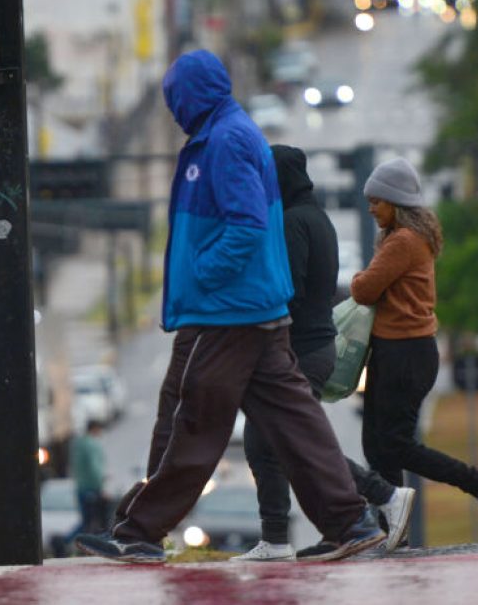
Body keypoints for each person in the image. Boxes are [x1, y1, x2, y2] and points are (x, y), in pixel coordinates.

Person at [76, 50, 385, 564]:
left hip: (232, 311)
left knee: (196, 417)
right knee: (293, 421)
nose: (173, 109)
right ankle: (350, 521)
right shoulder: (219, 135)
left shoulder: (227, 140)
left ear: (192, 93)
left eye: (175, 97)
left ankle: (140, 531)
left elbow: (245, 225)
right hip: (247, 309)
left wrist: (204, 272)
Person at [233, 145, 414, 562]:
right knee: (265, 444)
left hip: (297, 350)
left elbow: (286, 290)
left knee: (299, 442)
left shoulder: (294, 222)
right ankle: (277, 537)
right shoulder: (317, 218)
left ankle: (382, 494)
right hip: (313, 347)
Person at [350, 157, 478, 537]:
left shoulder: (402, 241)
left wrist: (358, 277)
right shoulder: (403, 237)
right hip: (398, 351)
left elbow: (363, 289)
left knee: (396, 445)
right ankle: (393, 526)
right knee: (377, 447)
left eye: (377, 201)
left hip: (405, 353)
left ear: (396, 202)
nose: (371, 208)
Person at [69, 419, 108, 541]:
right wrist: (100, 486)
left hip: (81, 487)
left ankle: (67, 541)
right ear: (95, 429)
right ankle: (67, 541)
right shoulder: (92, 445)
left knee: (86, 521)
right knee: (94, 522)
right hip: (92, 489)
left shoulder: (78, 443)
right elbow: (94, 467)